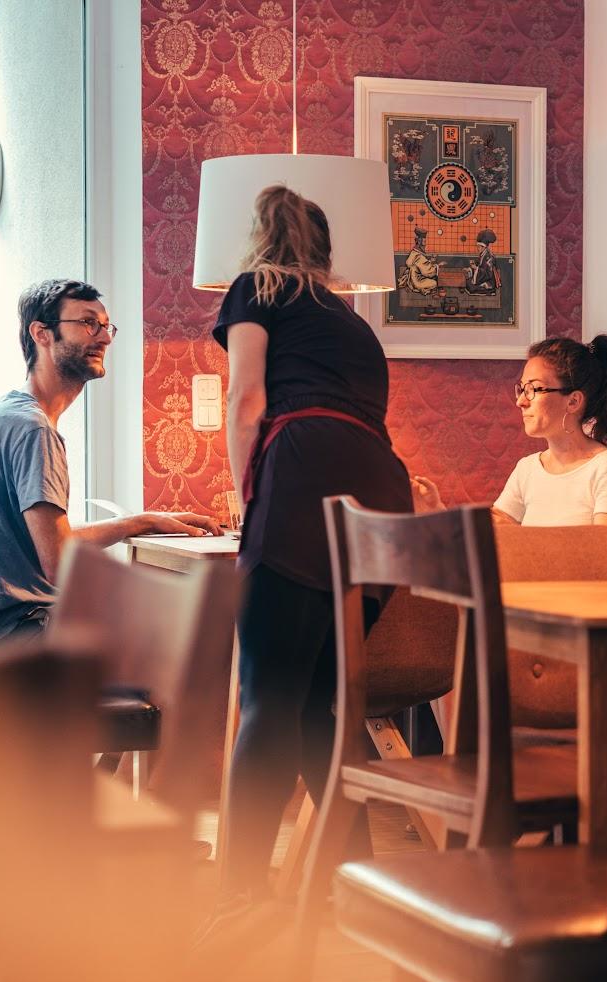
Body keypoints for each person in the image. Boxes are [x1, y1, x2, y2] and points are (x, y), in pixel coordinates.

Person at [205, 185, 413, 933]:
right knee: (320, 703)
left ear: (259, 239)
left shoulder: (255, 291)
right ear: (324, 250)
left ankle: (236, 890)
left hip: (299, 478)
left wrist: (242, 497)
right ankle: (347, 876)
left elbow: (245, 401)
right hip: (380, 493)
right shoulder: (351, 324)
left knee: (267, 697)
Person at [0, 278, 220, 655]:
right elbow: (60, 567)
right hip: (23, 644)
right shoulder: (33, 429)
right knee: (196, 635)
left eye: (106, 326)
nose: (104, 337)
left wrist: (140, 522)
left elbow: (51, 543)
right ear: (41, 334)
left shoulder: (1, 415)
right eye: (88, 323)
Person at [413, 335, 607, 531]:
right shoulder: (527, 469)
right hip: (524, 580)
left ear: (573, 401)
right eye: (522, 389)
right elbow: (491, 537)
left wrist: (523, 541)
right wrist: (435, 512)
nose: (520, 401)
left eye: (533, 390)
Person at [398, 226, 439, 293]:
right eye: (424, 241)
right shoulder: (419, 256)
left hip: (412, 280)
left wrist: (430, 261)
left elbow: (415, 264)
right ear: (419, 242)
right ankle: (422, 289)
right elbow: (428, 272)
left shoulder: (413, 253)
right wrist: (437, 266)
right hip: (417, 281)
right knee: (435, 283)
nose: (425, 244)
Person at [462, 227, 498, 293]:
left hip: (488, 282)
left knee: (470, 287)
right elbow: (479, 264)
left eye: (479, 247)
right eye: (477, 246)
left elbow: (488, 274)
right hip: (482, 279)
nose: (477, 248)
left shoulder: (489, 257)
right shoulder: (483, 254)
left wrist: (476, 269)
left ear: (483, 247)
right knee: (466, 283)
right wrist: (470, 269)